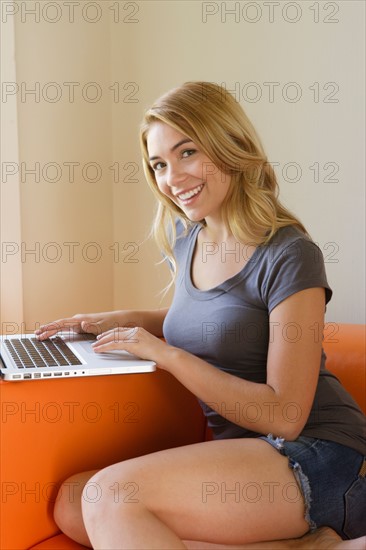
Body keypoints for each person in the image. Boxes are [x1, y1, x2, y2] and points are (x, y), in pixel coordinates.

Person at [36, 82, 366, 550]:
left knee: (110, 496)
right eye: (159, 164)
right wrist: (106, 320)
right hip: (247, 458)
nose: (172, 178)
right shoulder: (190, 237)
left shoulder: (291, 254)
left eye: (187, 152)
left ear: (229, 146)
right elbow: (211, 319)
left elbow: (286, 416)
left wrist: (166, 355)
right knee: (73, 503)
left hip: (319, 457)